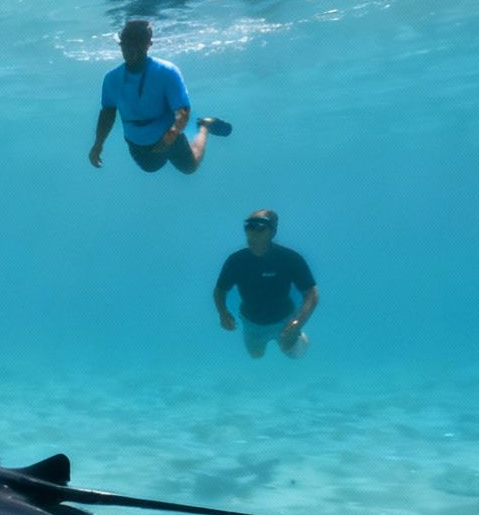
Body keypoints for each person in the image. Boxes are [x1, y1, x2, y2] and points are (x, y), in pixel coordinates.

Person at [89, 18, 231, 176]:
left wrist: (169, 138)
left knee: (189, 168)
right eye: (126, 44)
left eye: (136, 44)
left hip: (169, 137)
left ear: (148, 44)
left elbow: (182, 111)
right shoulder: (111, 79)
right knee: (150, 168)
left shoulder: (167, 72)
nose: (130, 50)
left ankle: (205, 126)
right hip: (137, 143)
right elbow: (107, 113)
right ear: (121, 44)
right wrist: (98, 144)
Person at [214, 210, 318, 359]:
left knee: (294, 354)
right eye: (249, 227)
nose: (253, 233)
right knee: (256, 355)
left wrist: (298, 321)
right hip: (252, 322)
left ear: (273, 231)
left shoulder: (290, 258)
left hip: (285, 319)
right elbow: (219, 291)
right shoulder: (236, 261)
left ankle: (299, 338)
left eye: (260, 228)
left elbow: (312, 293)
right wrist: (223, 313)